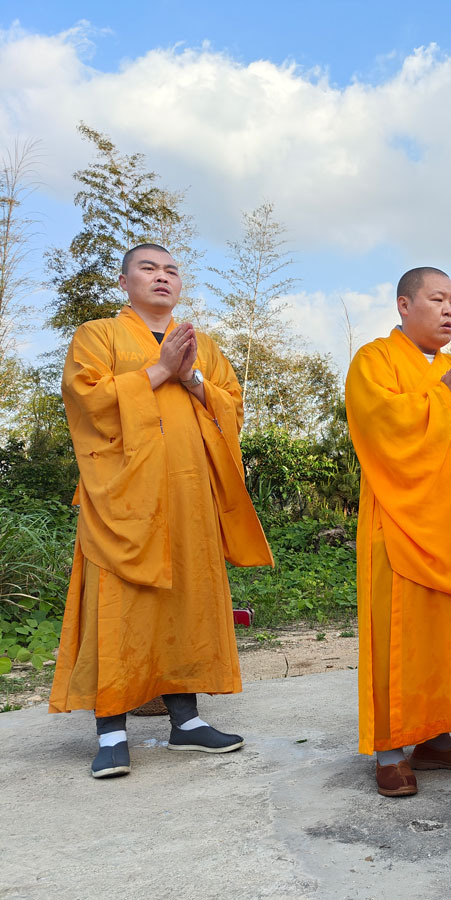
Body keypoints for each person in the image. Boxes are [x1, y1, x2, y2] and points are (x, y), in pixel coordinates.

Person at [49, 243, 273, 779]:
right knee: (118, 604)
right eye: (148, 268)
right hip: (122, 498)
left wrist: (191, 377)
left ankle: (187, 722)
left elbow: (231, 407)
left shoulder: (204, 344)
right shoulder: (97, 335)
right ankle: (111, 730)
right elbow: (86, 399)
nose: (162, 277)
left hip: (189, 496)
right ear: (124, 281)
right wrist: (159, 370)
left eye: (171, 269)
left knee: (185, 599)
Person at [345, 266, 451, 798]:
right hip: (401, 523)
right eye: (437, 299)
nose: (449, 310)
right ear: (403, 304)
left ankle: (437, 738)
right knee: (405, 637)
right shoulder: (373, 360)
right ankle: (391, 751)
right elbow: (380, 426)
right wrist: (445, 401)